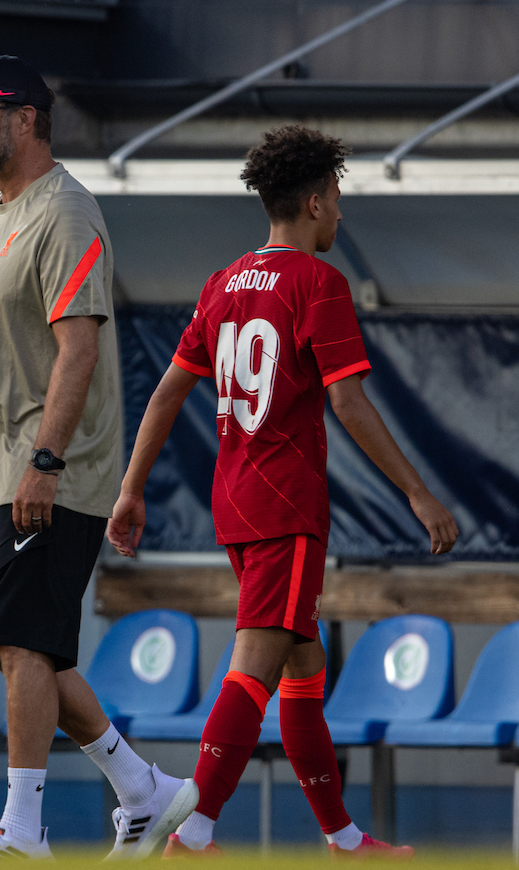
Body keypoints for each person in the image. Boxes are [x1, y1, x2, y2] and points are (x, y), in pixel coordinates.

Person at [0, 55, 198, 860]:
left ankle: (25, 829)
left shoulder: (67, 213)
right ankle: (143, 790)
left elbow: (77, 353)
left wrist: (45, 462)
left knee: (23, 645)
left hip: (52, 474)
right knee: (28, 653)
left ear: (24, 118)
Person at [108, 125, 460, 858]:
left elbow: (170, 391)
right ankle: (193, 834)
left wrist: (132, 489)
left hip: (235, 501)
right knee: (254, 671)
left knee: (303, 670)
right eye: (336, 199)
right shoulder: (317, 283)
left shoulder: (222, 282)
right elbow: (351, 403)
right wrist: (418, 494)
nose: (340, 214)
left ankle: (343, 837)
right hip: (286, 507)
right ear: (312, 201)